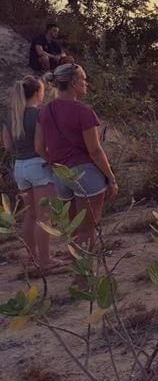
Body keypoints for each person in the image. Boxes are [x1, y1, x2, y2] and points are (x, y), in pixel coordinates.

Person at [36, 64, 118, 250]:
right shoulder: (84, 112)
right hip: (85, 174)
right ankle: (84, 277)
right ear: (73, 83)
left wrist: (55, 163)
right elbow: (95, 151)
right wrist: (111, 178)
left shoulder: (45, 111)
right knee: (87, 229)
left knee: (72, 229)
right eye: (83, 79)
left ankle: (77, 271)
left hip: (61, 175)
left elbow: (39, 147)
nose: (86, 83)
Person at [1, 76, 61, 270]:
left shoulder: (11, 115)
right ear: (37, 92)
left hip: (20, 167)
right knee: (45, 216)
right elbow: (41, 144)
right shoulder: (39, 114)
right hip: (39, 166)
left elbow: (7, 146)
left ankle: (31, 257)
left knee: (30, 215)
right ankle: (45, 260)